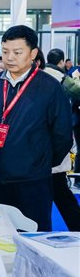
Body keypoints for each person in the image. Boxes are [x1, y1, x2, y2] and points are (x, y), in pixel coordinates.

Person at [0, 25, 72, 231]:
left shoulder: (49, 87)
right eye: (5, 51)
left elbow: (63, 135)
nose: (10, 58)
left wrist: (40, 162)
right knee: (1, 236)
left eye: (17, 52)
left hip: (32, 180)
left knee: (34, 236)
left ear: (32, 54)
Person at [43, 48, 80, 231]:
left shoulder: (39, 77)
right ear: (61, 62)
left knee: (55, 192)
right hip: (54, 146)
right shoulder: (62, 78)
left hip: (41, 148)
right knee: (61, 192)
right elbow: (78, 92)